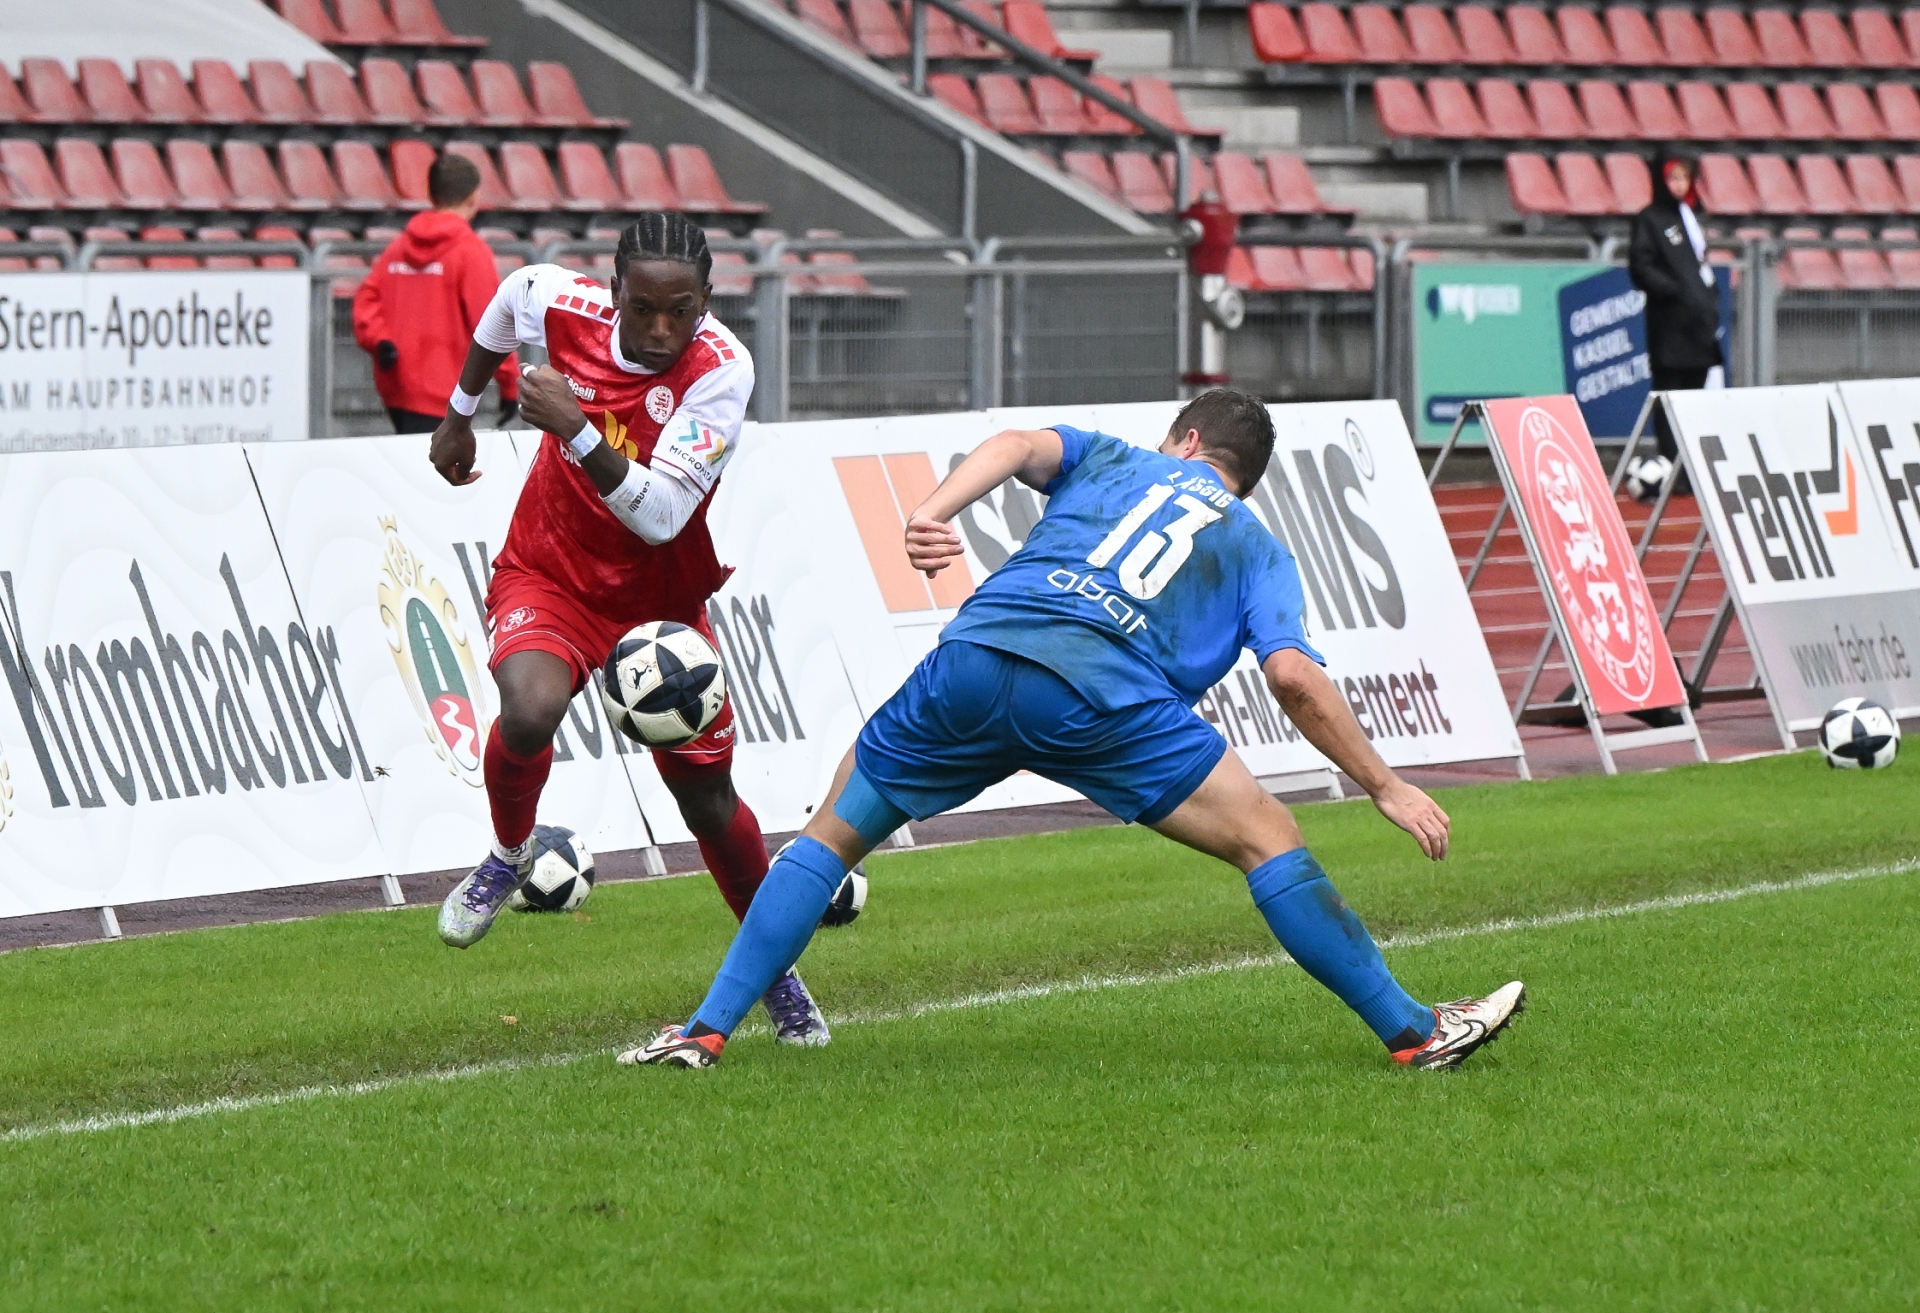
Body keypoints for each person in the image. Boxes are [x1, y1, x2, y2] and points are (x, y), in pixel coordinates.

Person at [623, 390, 1525, 1072]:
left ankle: (703, 1031)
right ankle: (1414, 1032)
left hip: (979, 652)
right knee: (1269, 839)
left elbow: (1015, 444)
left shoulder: (1116, 457)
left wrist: (933, 511)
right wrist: (1385, 785)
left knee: (831, 833)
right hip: (1106, 695)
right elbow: (1292, 676)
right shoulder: (1257, 544)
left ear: (1187, 439)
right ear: (1238, 473)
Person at [426, 213, 831, 1047]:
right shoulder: (562, 300)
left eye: (679, 311)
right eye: (642, 308)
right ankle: (510, 853)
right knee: (529, 709)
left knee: (708, 801)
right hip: (549, 570)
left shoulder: (721, 370)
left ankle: (775, 973)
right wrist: (460, 411)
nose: (659, 330)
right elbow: (508, 298)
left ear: (706, 300)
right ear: (613, 293)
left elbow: (663, 515)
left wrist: (574, 426)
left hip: (659, 606)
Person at [353, 153, 520, 434]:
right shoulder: (471, 252)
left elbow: (365, 302)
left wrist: (380, 341)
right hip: (444, 393)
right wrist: (509, 383)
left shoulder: (398, 248)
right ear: (474, 198)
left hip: (396, 388)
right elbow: (491, 323)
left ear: (431, 195)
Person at [1628, 149, 1723, 461]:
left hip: (1699, 328)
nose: (1679, 184)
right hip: (1670, 329)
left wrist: (1705, 299)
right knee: (1669, 397)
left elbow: (1700, 267)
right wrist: (1674, 292)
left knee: (1694, 401)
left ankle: (1690, 465)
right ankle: (1671, 463)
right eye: (1672, 177)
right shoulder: (1649, 219)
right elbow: (1641, 266)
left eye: (1684, 177)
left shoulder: (1690, 218)